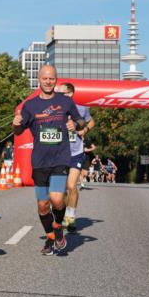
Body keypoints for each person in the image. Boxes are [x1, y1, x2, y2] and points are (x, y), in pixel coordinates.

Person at [12, 65, 85, 255]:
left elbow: (81, 121)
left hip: (61, 158)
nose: (48, 82)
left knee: (57, 199)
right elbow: (18, 131)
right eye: (45, 78)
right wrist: (16, 124)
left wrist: (75, 124)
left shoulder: (65, 101)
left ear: (56, 80)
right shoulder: (30, 105)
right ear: (39, 79)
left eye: (51, 78)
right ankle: (51, 238)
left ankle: (58, 225)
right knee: (43, 205)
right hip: (39, 161)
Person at [57, 82, 93, 230]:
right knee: (62, 190)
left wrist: (84, 130)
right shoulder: (54, 108)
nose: (58, 96)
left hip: (76, 152)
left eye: (62, 93)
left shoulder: (81, 108)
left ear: (70, 93)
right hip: (59, 153)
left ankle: (71, 216)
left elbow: (91, 122)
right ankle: (66, 212)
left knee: (71, 186)